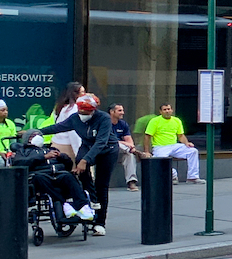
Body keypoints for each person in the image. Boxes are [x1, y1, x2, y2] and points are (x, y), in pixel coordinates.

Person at [36, 93, 117, 236]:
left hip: (107, 149)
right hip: (87, 145)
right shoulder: (75, 118)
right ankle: (90, 198)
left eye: (87, 111)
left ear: (94, 110)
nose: (83, 113)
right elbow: (58, 127)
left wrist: (85, 161)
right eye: (81, 110)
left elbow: (101, 142)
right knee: (81, 173)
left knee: (101, 184)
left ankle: (100, 222)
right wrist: (37, 133)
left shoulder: (103, 118)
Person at [8, 131, 94, 222]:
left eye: (39, 135)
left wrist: (62, 156)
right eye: (33, 135)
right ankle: (64, 204)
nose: (38, 137)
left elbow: (68, 165)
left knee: (69, 176)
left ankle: (83, 207)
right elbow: (19, 163)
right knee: (39, 178)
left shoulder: (51, 149)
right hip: (41, 175)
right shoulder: (23, 151)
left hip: (58, 174)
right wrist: (43, 157)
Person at [144, 103, 203, 184]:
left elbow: (181, 136)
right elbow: (147, 136)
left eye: (168, 109)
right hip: (160, 147)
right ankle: (173, 175)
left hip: (174, 146)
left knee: (193, 151)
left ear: (172, 110)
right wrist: (147, 151)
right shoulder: (154, 121)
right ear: (160, 112)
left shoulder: (177, 120)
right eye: (165, 110)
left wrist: (187, 143)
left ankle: (193, 177)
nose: (167, 111)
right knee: (160, 160)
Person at [108, 104, 148, 191]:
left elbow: (129, 140)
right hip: (106, 150)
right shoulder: (105, 123)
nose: (123, 113)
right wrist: (125, 144)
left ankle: (131, 182)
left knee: (129, 155)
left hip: (121, 151)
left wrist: (131, 146)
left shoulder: (123, 124)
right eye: (119, 111)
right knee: (116, 144)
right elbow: (107, 140)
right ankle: (137, 152)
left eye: (122, 110)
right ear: (112, 112)